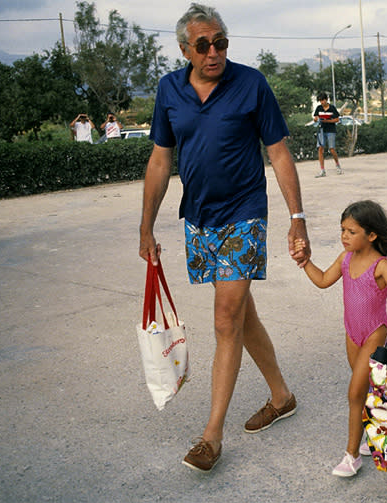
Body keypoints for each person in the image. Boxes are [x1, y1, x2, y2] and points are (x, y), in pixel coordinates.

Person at [138, 3, 310, 473]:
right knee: (240, 314)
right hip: (198, 218)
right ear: (184, 50)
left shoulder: (251, 83)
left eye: (221, 43)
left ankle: (211, 435)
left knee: (225, 317)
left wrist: (297, 217)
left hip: (244, 214)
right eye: (203, 45)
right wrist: (146, 224)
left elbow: (278, 152)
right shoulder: (169, 89)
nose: (214, 52)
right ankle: (281, 395)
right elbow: (159, 160)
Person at [294, 200, 387, 477]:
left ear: (372, 235)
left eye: (352, 231)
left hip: (374, 333)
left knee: (355, 393)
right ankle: (372, 435)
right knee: (364, 389)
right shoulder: (345, 259)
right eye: (343, 230)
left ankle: (351, 455)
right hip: (352, 334)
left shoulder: (381, 265)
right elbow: (321, 280)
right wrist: (305, 262)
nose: (344, 236)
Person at [313, 92, 342, 177]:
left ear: (326, 100)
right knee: (320, 149)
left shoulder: (332, 108)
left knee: (332, 149)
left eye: (323, 100)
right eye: (320, 101)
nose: (322, 102)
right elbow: (315, 118)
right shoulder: (318, 108)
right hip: (321, 130)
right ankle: (322, 170)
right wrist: (317, 119)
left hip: (331, 130)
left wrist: (328, 121)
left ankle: (337, 165)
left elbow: (337, 119)